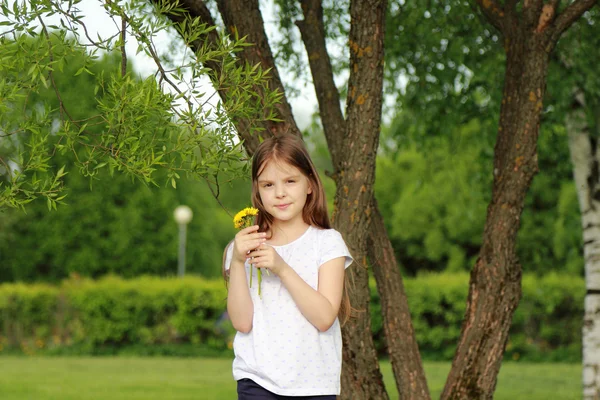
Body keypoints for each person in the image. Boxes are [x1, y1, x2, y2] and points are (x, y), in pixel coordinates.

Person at [223, 134, 353, 399]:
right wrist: (237, 261)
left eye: (290, 181)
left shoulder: (327, 243)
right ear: (257, 190)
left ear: (309, 184)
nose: (279, 193)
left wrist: (282, 268)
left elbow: (325, 318)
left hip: (313, 384)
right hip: (256, 380)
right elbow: (242, 323)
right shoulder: (243, 246)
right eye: (268, 184)